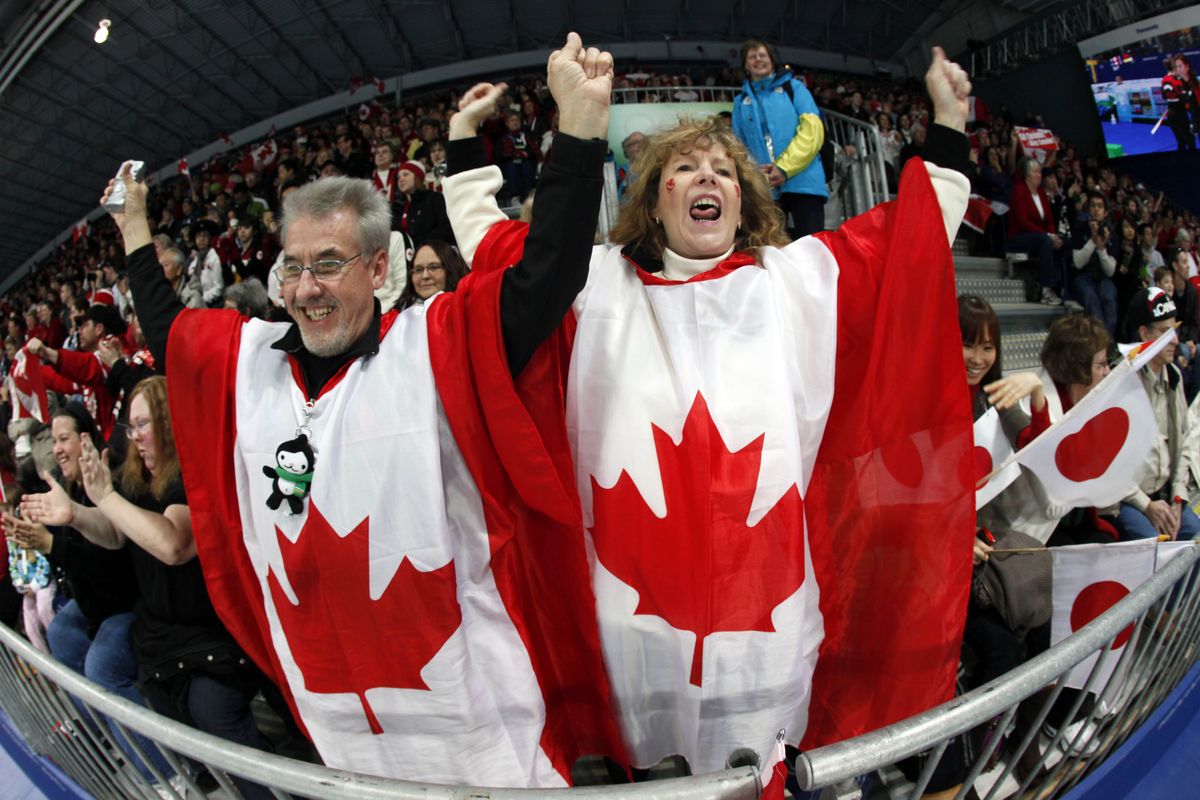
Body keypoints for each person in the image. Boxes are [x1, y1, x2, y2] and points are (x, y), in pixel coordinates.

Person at [94, 33, 627, 787]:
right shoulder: (251, 365)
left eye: (330, 265)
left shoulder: (433, 345)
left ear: (380, 269)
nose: (306, 287)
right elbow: (170, 333)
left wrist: (577, 131)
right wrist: (134, 226)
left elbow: (545, 279)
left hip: (472, 729)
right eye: (294, 267)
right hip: (338, 725)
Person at [445, 42, 974, 768]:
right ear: (653, 198)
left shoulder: (796, 282)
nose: (707, 178)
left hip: (769, 638)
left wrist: (947, 124)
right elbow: (497, 250)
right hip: (630, 635)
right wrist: (462, 142)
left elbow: (911, 244)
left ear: (743, 198)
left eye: (723, 169)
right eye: (685, 168)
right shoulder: (593, 285)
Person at [21, 381, 275, 799]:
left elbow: (173, 543)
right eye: (130, 424)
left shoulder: (192, 474)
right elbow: (117, 533)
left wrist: (103, 498)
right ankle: (184, 776)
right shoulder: (134, 479)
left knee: (209, 706)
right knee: (114, 667)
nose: (134, 434)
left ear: (169, 425)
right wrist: (78, 516)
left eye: (144, 424)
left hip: (214, 631)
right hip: (164, 633)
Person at [4, 403, 167, 782]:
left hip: (130, 602)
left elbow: (112, 575)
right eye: (53, 441)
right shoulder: (64, 488)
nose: (56, 448)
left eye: (63, 439)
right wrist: (43, 542)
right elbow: (78, 576)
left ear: (85, 440)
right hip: (98, 602)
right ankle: (104, 735)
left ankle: (161, 772)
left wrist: (53, 545)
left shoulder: (105, 482)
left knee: (101, 664)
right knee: (60, 630)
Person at [1108, 288, 1200, 541]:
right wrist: (1145, 505)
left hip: (1165, 493)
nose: (1174, 340)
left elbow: (1184, 442)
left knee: (1195, 538)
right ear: (1144, 334)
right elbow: (1109, 460)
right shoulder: (1121, 381)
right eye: (1164, 332)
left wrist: (1178, 497)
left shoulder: (1175, 376)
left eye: (1175, 330)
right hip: (1126, 498)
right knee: (1154, 549)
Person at [731, 38, 828, 237]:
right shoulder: (740, 102)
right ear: (746, 65)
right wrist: (756, 173)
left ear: (772, 60)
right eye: (752, 57)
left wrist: (783, 168)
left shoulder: (795, 88)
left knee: (812, 248)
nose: (758, 60)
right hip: (765, 188)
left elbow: (812, 132)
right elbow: (737, 145)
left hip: (805, 182)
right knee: (770, 249)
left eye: (762, 55)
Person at [1006, 159, 1064, 306]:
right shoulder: (1019, 191)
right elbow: (1023, 222)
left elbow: (1049, 220)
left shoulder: (1041, 194)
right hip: (1019, 237)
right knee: (1044, 241)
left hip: (1040, 236)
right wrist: (1048, 236)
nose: (1039, 175)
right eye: (1035, 172)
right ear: (1027, 175)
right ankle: (1046, 290)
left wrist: (1053, 235)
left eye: (1039, 172)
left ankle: (1065, 288)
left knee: (1065, 242)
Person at [394, 241, 468, 311]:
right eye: (418, 269)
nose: (425, 276)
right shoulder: (397, 319)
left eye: (434, 267)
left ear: (451, 269)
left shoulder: (469, 310)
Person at [1162, 54, 1198, 152]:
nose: (1178, 69)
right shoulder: (1175, 81)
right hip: (1179, 114)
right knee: (1187, 141)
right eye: (1177, 67)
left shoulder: (1167, 80)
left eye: (1180, 66)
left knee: (1183, 142)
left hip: (1176, 113)